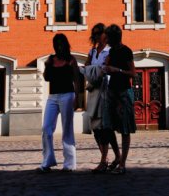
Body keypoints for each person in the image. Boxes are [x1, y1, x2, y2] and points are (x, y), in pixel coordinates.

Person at [40, 33, 81, 172]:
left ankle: (70, 164)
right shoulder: (51, 59)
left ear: (65, 44)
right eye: (56, 44)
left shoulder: (71, 60)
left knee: (67, 129)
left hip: (67, 96)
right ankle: (47, 161)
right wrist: (46, 66)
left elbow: (76, 79)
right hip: (53, 96)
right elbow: (46, 78)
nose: (58, 46)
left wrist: (78, 98)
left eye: (61, 43)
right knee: (46, 128)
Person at [85, 23, 120, 174]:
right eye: (95, 33)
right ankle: (109, 157)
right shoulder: (92, 51)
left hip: (106, 91)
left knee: (106, 127)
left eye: (100, 33)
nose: (98, 36)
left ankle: (107, 159)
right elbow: (87, 67)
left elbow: (111, 70)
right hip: (93, 90)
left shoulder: (110, 51)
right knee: (96, 127)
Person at [102, 24, 136, 175]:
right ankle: (117, 156)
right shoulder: (111, 51)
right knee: (108, 126)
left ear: (113, 37)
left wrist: (118, 70)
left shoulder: (126, 51)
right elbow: (106, 65)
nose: (105, 39)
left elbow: (133, 73)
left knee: (125, 128)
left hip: (123, 91)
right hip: (112, 90)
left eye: (107, 36)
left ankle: (122, 164)